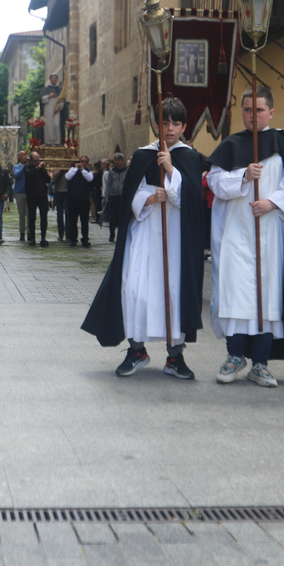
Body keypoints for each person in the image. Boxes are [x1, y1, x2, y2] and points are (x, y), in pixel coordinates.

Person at [207, 86, 284, 388]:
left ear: (271, 112)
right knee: (235, 294)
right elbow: (215, 182)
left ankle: (260, 363)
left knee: (267, 296)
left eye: (259, 110)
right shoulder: (231, 144)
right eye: (247, 110)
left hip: (270, 233)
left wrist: (271, 203)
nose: (253, 115)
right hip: (235, 233)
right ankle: (235, 356)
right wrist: (243, 176)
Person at [82, 98, 204, 379]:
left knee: (173, 291)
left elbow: (193, 201)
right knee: (134, 288)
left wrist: (171, 170)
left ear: (184, 127)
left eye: (175, 123)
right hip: (146, 232)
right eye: (164, 122)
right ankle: (137, 350)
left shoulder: (189, 157)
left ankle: (175, 356)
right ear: (156, 124)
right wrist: (150, 198)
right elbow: (130, 196)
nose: (170, 128)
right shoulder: (143, 155)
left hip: (176, 237)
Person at [25, 151, 52, 246]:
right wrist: (37, 168)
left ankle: (43, 238)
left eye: (38, 160)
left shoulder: (42, 169)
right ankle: (32, 238)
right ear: (31, 160)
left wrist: (43, 170)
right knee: (32, 218)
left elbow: (48, 180)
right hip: (32, 196)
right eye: (35, 160)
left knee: (44, 217)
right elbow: (29, 175)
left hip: (42, 196)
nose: (37, 162)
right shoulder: (27, 167)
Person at [66, 156, 94, 247]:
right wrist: (75, 169)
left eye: (86, 162)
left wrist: (82, 170)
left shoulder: (89, 171)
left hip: (84, 200)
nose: (84, 163)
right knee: (73, 220)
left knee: (84, 220)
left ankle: (85, 239)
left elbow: (90, 178)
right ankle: (73, 239)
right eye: (82, 161)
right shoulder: (72, 170)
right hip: (72, 199)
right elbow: (68, 177)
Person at [104, 153, 129, 242]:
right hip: (114, 196)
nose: (118, 162)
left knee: (123, 216)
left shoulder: (127, 170)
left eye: (119, 160)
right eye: (116, 160)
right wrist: (106, 196)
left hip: (123, 196)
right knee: (113, 216)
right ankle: (112, 234)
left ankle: (122, 234)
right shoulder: (112, 171)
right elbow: (109, 184)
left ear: (123, 161)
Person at [42, 74, 63, 145]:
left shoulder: (59, 88)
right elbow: (42, 99)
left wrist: (59, 106)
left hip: (56, 109)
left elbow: (62, 99)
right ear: (50, 79)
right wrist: (49, 96)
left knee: (56, 124)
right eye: (52, 78)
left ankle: (57, 142)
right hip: (48, 109)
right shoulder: (46, 89)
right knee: (48, 124)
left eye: (55, 78)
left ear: (57, 79)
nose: (54, 79)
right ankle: (48, 142)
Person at [12, 150, 29, 241]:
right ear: (19, 157)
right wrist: (24, 167)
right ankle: (22, 232)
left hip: (29, 192)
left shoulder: (29, 167)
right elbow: (17, 175)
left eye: (25, 155)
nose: (25, 156)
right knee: (22, 214)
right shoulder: (16, 167)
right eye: (23, 155)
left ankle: (30, 231)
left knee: (29, 213)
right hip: (20, 193)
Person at [53, 166, 69, 242]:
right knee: (59, 214)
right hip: (58, 192)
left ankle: (68, 234)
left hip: (67, 192)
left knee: (68, 213)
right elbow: (54, 177)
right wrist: (61, 168)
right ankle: (60, 234)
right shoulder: (57, 167)